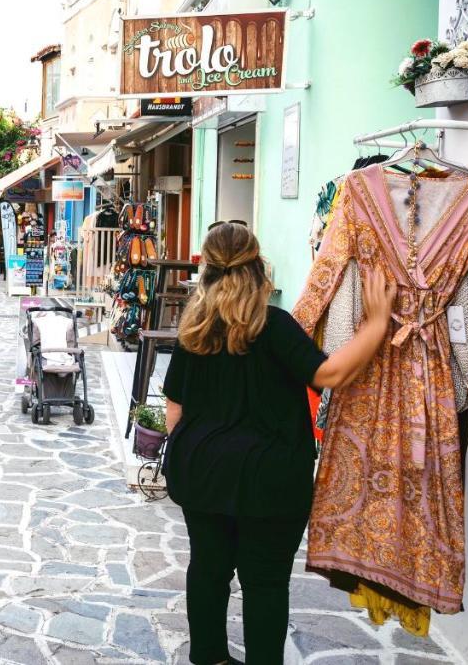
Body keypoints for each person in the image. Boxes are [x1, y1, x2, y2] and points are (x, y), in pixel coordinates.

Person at [162, 223, 395, 665]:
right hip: (271, 477)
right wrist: (378, 323)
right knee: (265, 582)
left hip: (203, 470)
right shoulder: (274, 325)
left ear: (206, 271)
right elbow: (329, 374)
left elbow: (175, 409)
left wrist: (195, 456)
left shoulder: (195, 329)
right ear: (258, 268)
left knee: (208, 569)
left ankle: (209, 657)